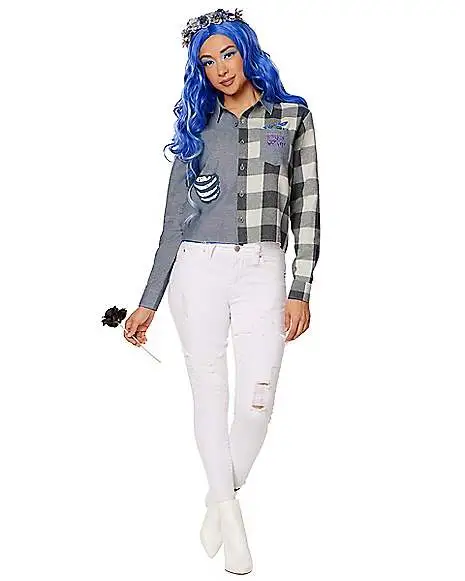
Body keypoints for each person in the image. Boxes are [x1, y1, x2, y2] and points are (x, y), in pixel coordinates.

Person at [124, 8, 320, 575]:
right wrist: (147, 301)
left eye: (227, 54)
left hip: (263, 267)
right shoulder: (197, 126)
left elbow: (307, 205)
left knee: (258, 399)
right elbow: (173, 222)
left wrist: (301, 286)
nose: (220, 69)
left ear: (246, 52)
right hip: (198, 270)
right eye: (207, 62)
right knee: (209, 394)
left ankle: (218, 502)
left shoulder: (292, 115)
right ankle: (233, 524)